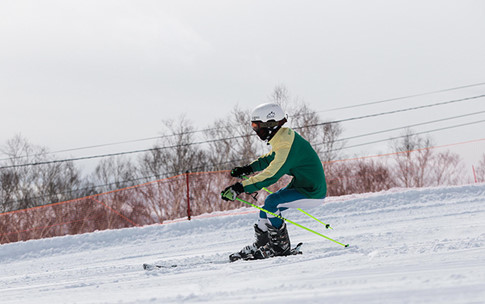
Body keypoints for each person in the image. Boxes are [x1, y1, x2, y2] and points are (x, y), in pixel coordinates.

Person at [221, 102, 327, 260]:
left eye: (257, 126)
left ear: (270, 125)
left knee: (272, 201)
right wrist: (248, 168)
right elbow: (270, 159)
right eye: (253, 126)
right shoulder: (283, 137)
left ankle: (279, 247)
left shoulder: (286, 145)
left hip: (312, 191)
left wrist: (240, 188)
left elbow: (272, 174)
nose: (256, 130)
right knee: (266, 209)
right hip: (301, 186)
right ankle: (262, 243)